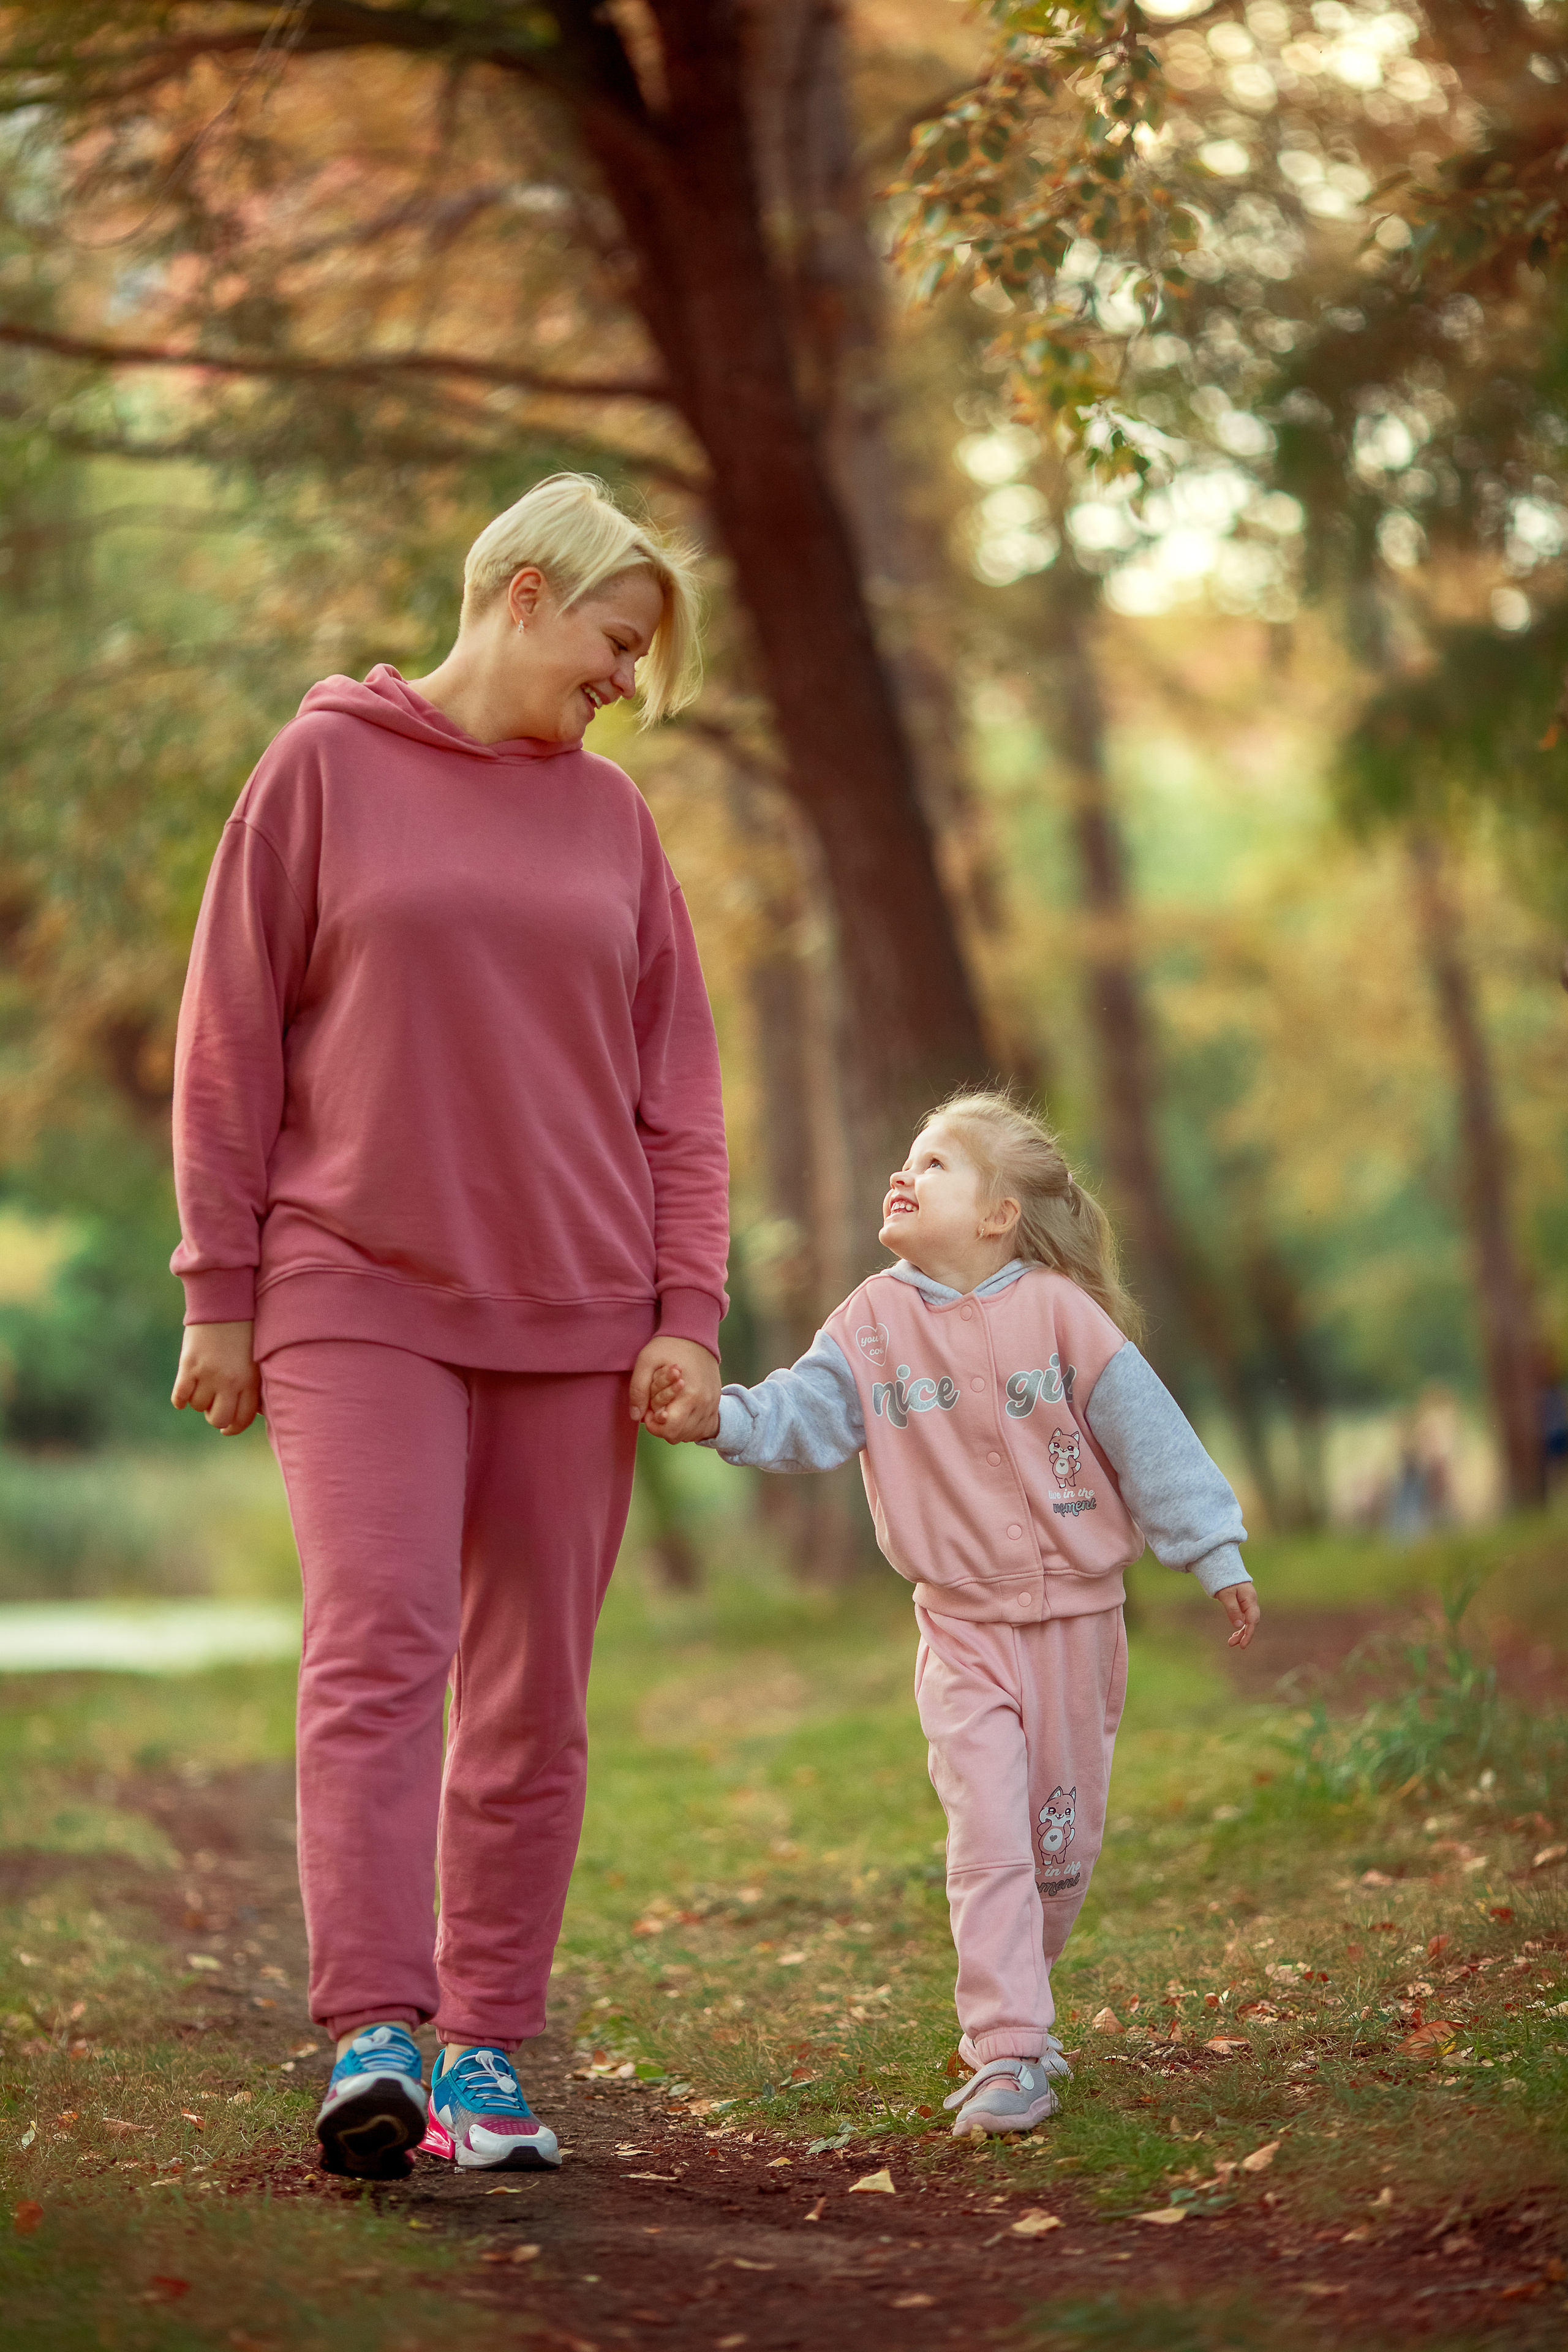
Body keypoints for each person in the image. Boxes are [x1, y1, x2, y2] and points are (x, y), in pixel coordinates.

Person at [168, 475, 729, 2179]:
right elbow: (228, 1041)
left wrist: (688, 1311)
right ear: (527, 592)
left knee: (533, 1697)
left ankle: (484, 2051)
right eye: (615, 642)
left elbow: (678, 1099)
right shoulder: (320, 768)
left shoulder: (614, 820)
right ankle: (374, 2034)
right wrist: (219, 1291)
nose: (622, 681)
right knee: (380, 1644)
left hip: (579, 1309)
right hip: (353, 1284)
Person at [644, 1091, 1258, 2136]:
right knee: (988, 1833)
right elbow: (803, 1411)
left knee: (1058, 1848)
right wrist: (722, 1419)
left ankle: (1028, 1998)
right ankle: (1007, 2047)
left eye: (935, 1163)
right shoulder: (870, 1324)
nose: (906, 1173)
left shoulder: (1062, 1315)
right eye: (907, 1157)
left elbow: (1149, 1435)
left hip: (1079, 1627)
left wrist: (1213, 1549)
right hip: (962, 1630)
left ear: (998, 1214)